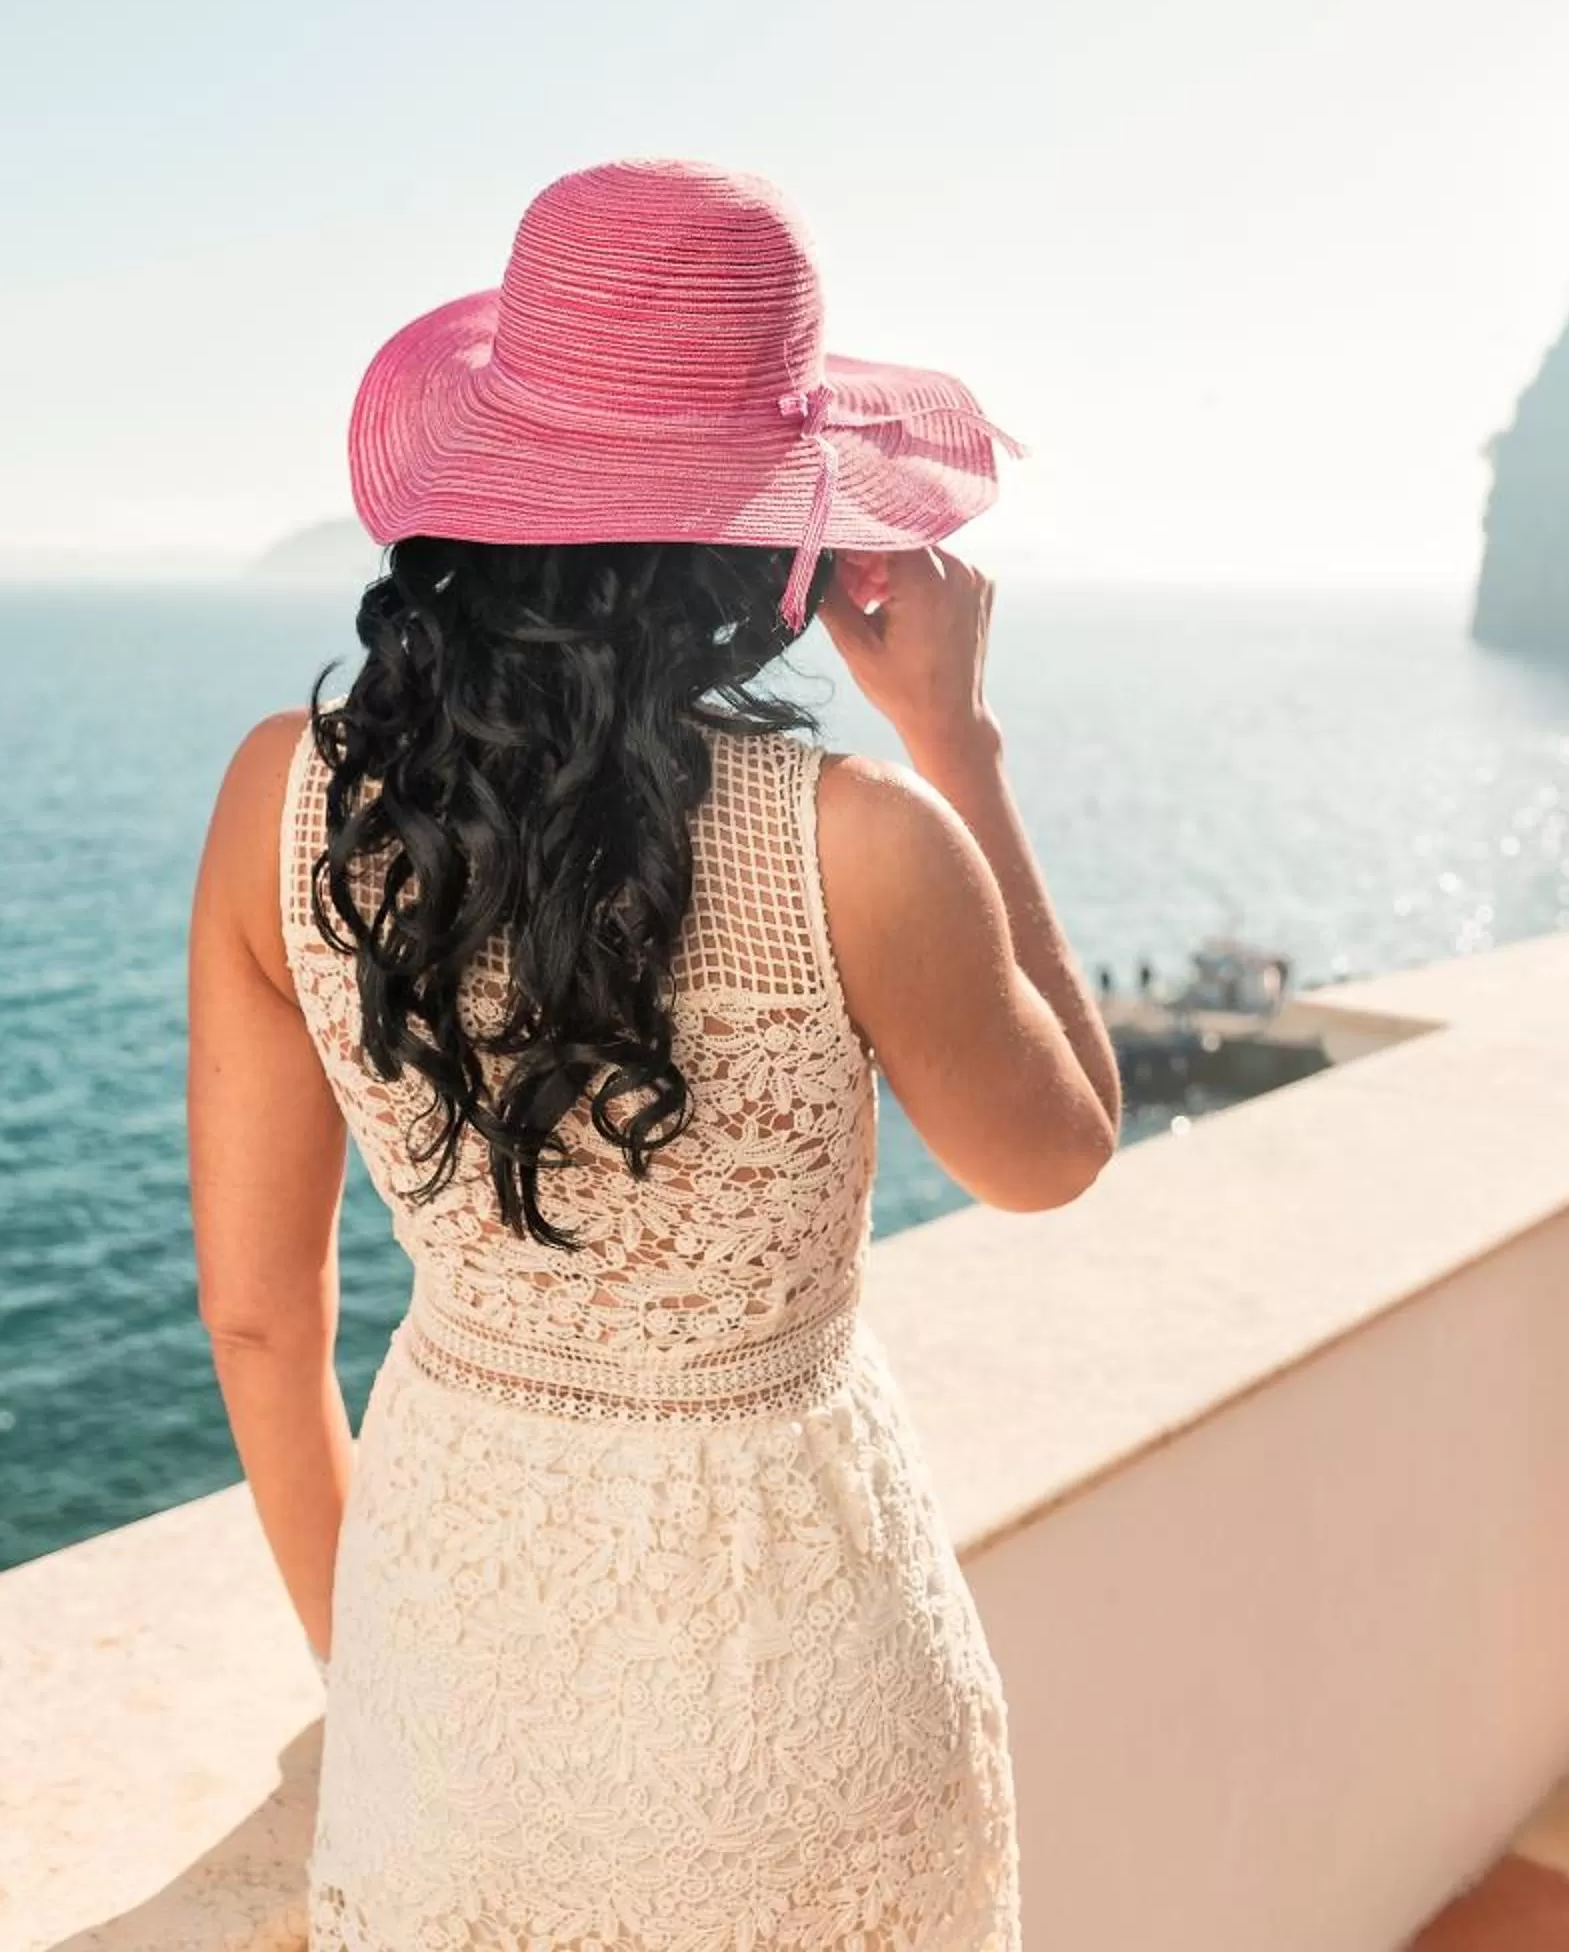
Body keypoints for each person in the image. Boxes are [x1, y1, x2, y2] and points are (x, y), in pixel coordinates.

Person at [184, 159, 1122, 1949]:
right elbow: (1057, 1153)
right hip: (804, 1682)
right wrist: (958, 739)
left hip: (451, 1656)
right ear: (765, 539)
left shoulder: (280, 809)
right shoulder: (859, 845)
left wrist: (373, 1675)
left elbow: (256, 1323)